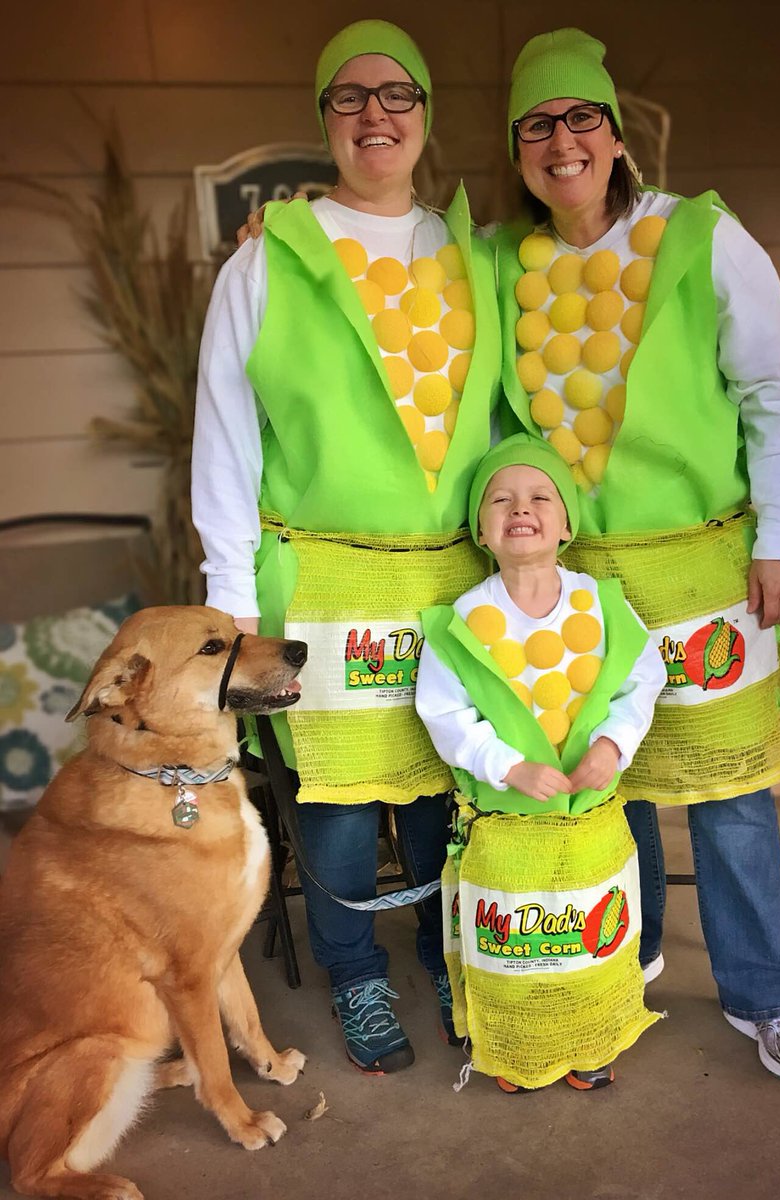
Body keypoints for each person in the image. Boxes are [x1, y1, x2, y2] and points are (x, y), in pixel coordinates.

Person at [495, 28, 780, 1080]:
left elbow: (774, 392)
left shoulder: (700, 236)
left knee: (729, 793)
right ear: (516, 149)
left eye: (581, 116)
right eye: (538, 123)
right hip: (581, 579)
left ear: (616, 132)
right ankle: (622, 970)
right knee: (612, 783)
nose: (563, 140)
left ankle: (763, 996)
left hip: (703, 566)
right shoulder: (509, 261)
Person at [191, 19, 501, 1075]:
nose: (376, 114)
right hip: (320, 574)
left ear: (426, 117)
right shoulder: (268, 263)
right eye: (351, 96)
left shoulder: (475, 256)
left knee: (435, 776)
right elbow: (227, 437)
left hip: (449, 576)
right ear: (324, 119)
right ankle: (356, 973)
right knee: (334, 791)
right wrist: (230, 598)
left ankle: (443, 953)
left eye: (398, 94)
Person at [416, 434, 666, 1091]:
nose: (519, 507)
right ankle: (518, 1048)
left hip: (590, 828)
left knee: (590, 943)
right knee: (519, 953)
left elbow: (643, 678)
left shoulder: (603, 605)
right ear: (481, 530)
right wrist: (505, 766)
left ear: (565, 523)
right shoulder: (464, 622)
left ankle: (593, 1036)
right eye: (500, 498)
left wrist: (613, 743)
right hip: (505, 831)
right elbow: (446, 714)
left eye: (538, 496)